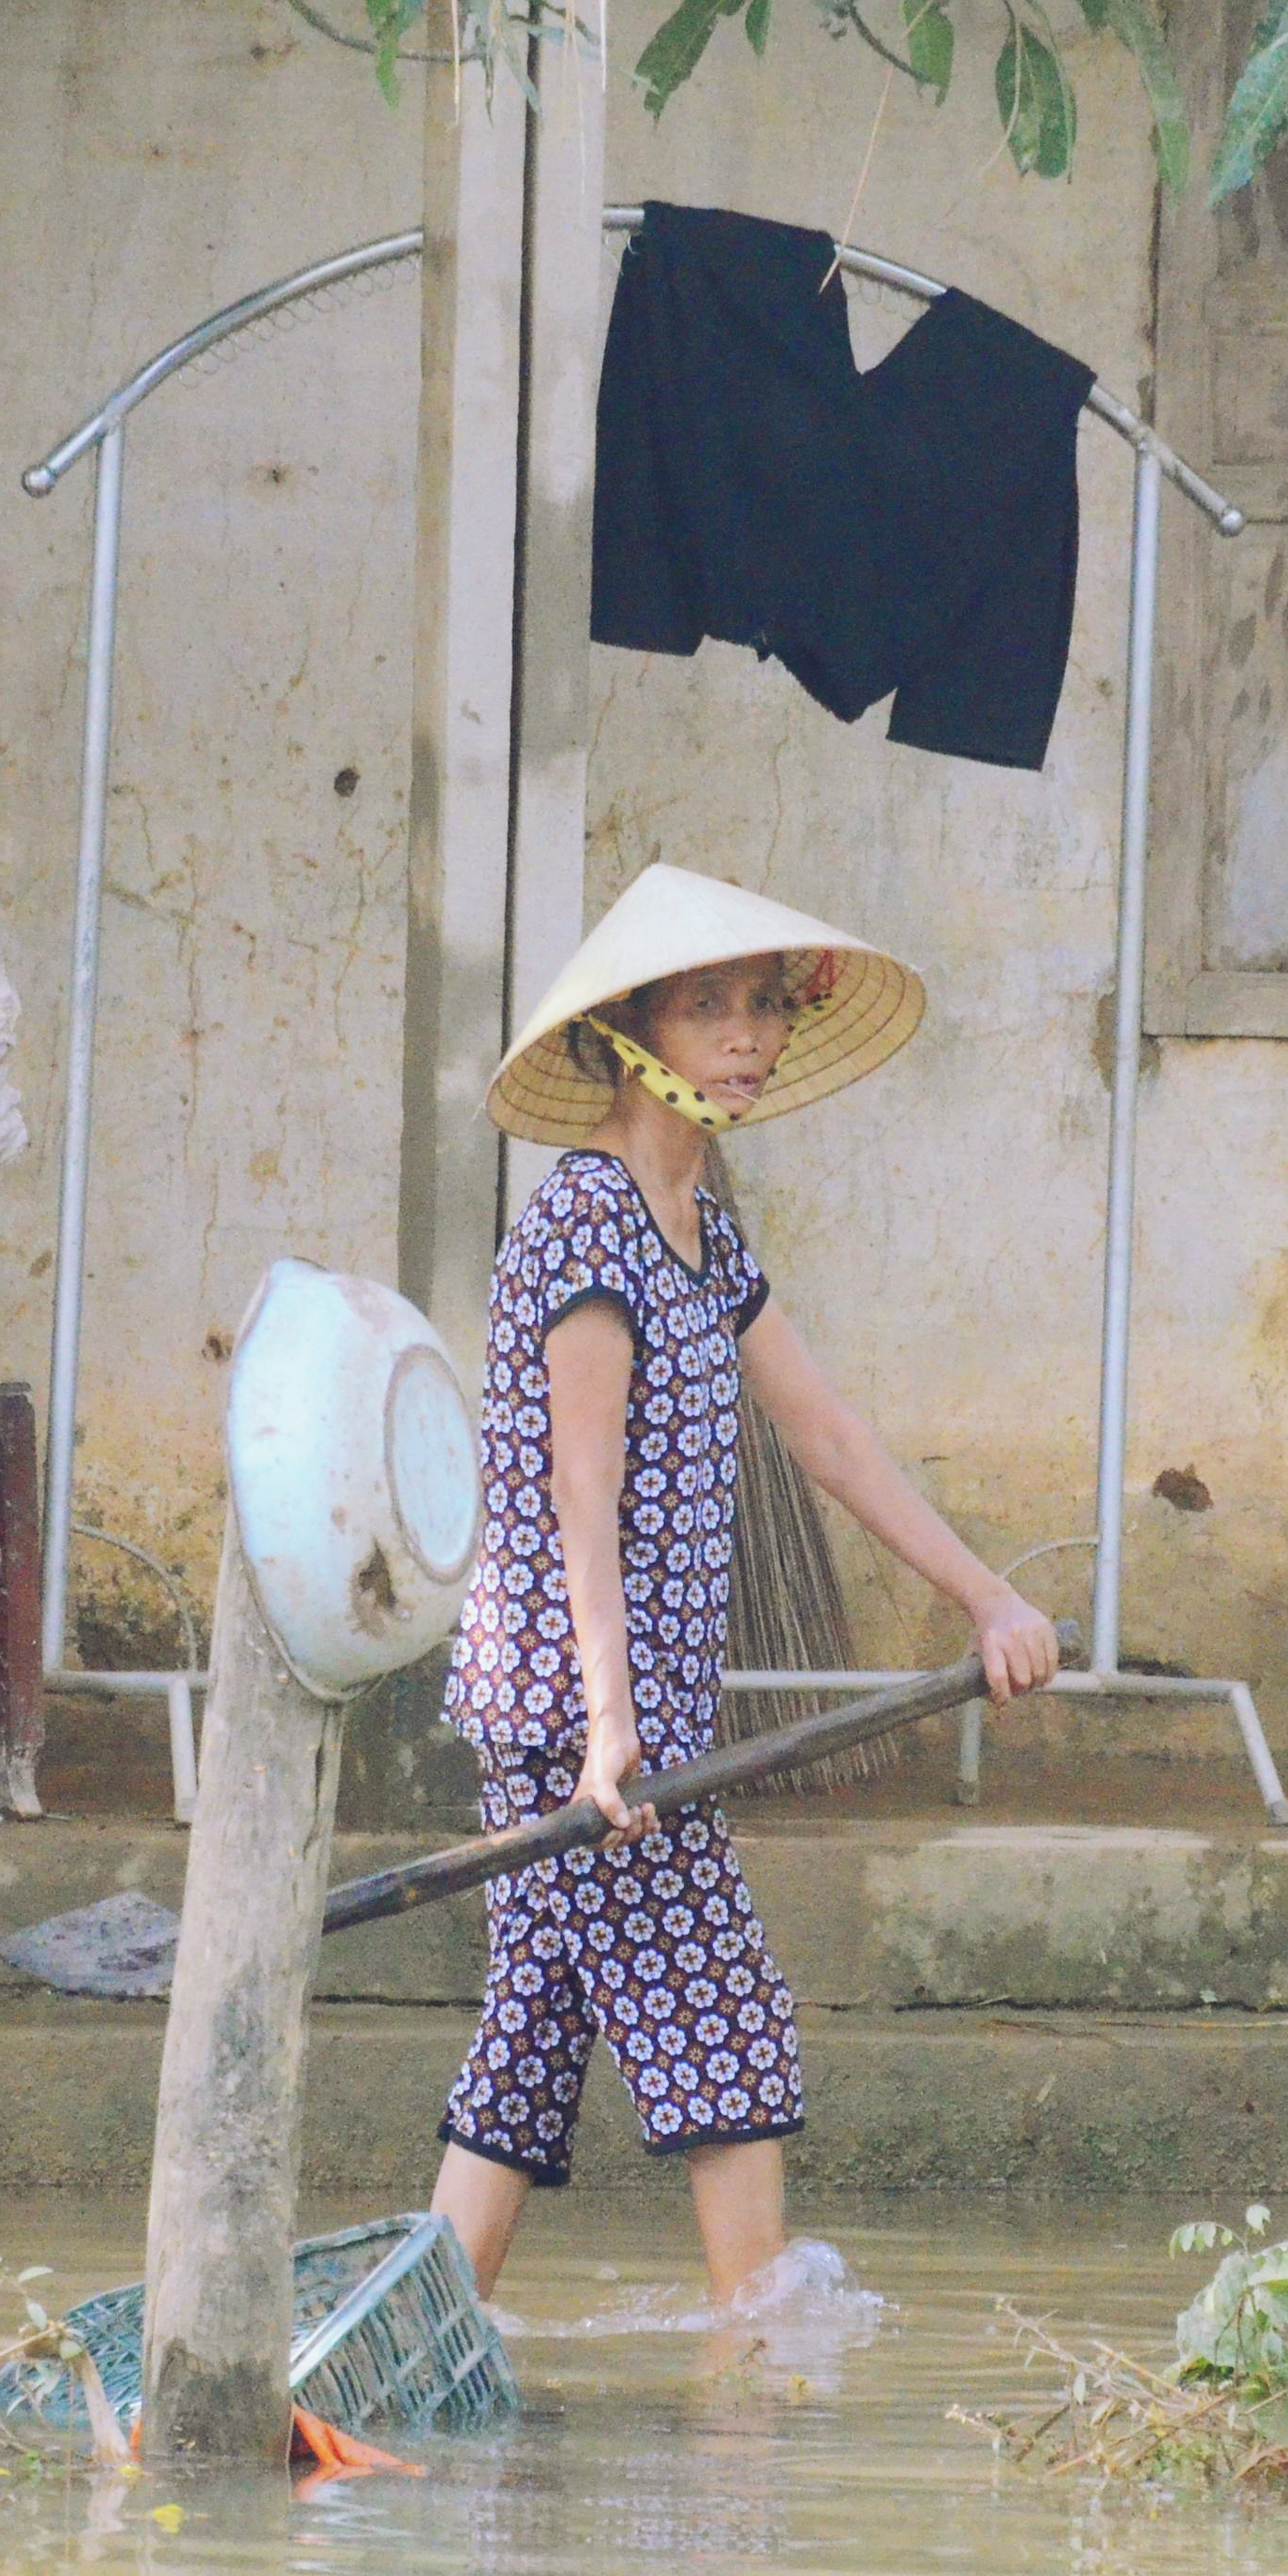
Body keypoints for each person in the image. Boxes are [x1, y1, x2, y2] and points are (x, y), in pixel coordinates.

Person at [426, 865, 1059, 2309]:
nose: (748, 1036)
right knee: (734, 2031)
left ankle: (392, 2361)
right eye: (710, 1007)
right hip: (578, 1727)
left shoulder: (708, 1236)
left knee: (525, 2058)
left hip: (626, 1730)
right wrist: (605, 1725)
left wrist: (988, 1600)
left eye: (764, 1006)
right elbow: (577, 1495)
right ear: (633, 1032)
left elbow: (826, 1437)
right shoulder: (587, 1222)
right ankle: (750, 2399)